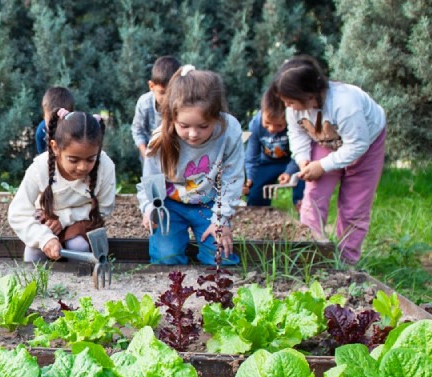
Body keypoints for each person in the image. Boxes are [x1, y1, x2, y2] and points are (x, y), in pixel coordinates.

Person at [272, 55, 386, 265]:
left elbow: (357, 145)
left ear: (308, 95)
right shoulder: (293, 110)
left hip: (365, 145)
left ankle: (345, 262)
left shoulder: (345, 105)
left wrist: (323, 165)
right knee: (313, 198)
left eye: (290, 100)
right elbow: (297, 134)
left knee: (354, 207)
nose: (286, 105)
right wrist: (304, 160)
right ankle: (311, 257)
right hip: (327, 142)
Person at [137, 66, 244, 266]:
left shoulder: (229, 131)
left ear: (217, 116)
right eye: (184, 126)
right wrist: (150, 207)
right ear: (172, 117)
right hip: (170, 206)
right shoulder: (160, 139)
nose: (193, 134)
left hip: (210, 204)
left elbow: (233, 178)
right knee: (166, 258)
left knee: (220, 258)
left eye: (203, 126)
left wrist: (221, 220)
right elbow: (151, 182)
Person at [8, 108, 116, 262]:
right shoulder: (40, 168)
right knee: (33, 253)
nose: (82, 167)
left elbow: (105, 207)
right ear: (55, 147)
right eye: (74, 160)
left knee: (78, 246)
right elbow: (17, 213)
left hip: (81, 225)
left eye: (90, 159)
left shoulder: (105, 167)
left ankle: (79, 283)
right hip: (47, 222)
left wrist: (65, 218)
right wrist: (44, 239)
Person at [244, 85, 303, 208]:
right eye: (267, 123)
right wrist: (249, 176)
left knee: (304, 185)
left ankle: (303, 211)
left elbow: (300, 151)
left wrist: (289, 172)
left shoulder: (295, 123)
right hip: (267, 163)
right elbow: (252, 155)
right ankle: (259, 216)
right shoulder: (255, 124)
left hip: (293, 161)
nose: (272, 129)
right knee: (255, 193)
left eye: (279, 125)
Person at [130, 55, 181, 158]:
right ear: (151, 86)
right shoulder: (144, 103)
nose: (167, 98)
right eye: (162, 93)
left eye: (172, 92)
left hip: (176, 157)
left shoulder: (182, 105)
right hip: (151, 155)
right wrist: (146, 155)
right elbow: (137, 130)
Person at [33, 87, 74, 155]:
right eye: (51, 121)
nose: (55, 126)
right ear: (44, 116)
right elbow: (42, 155)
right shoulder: (41, 132)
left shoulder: (76, 128)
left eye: (60, 122)